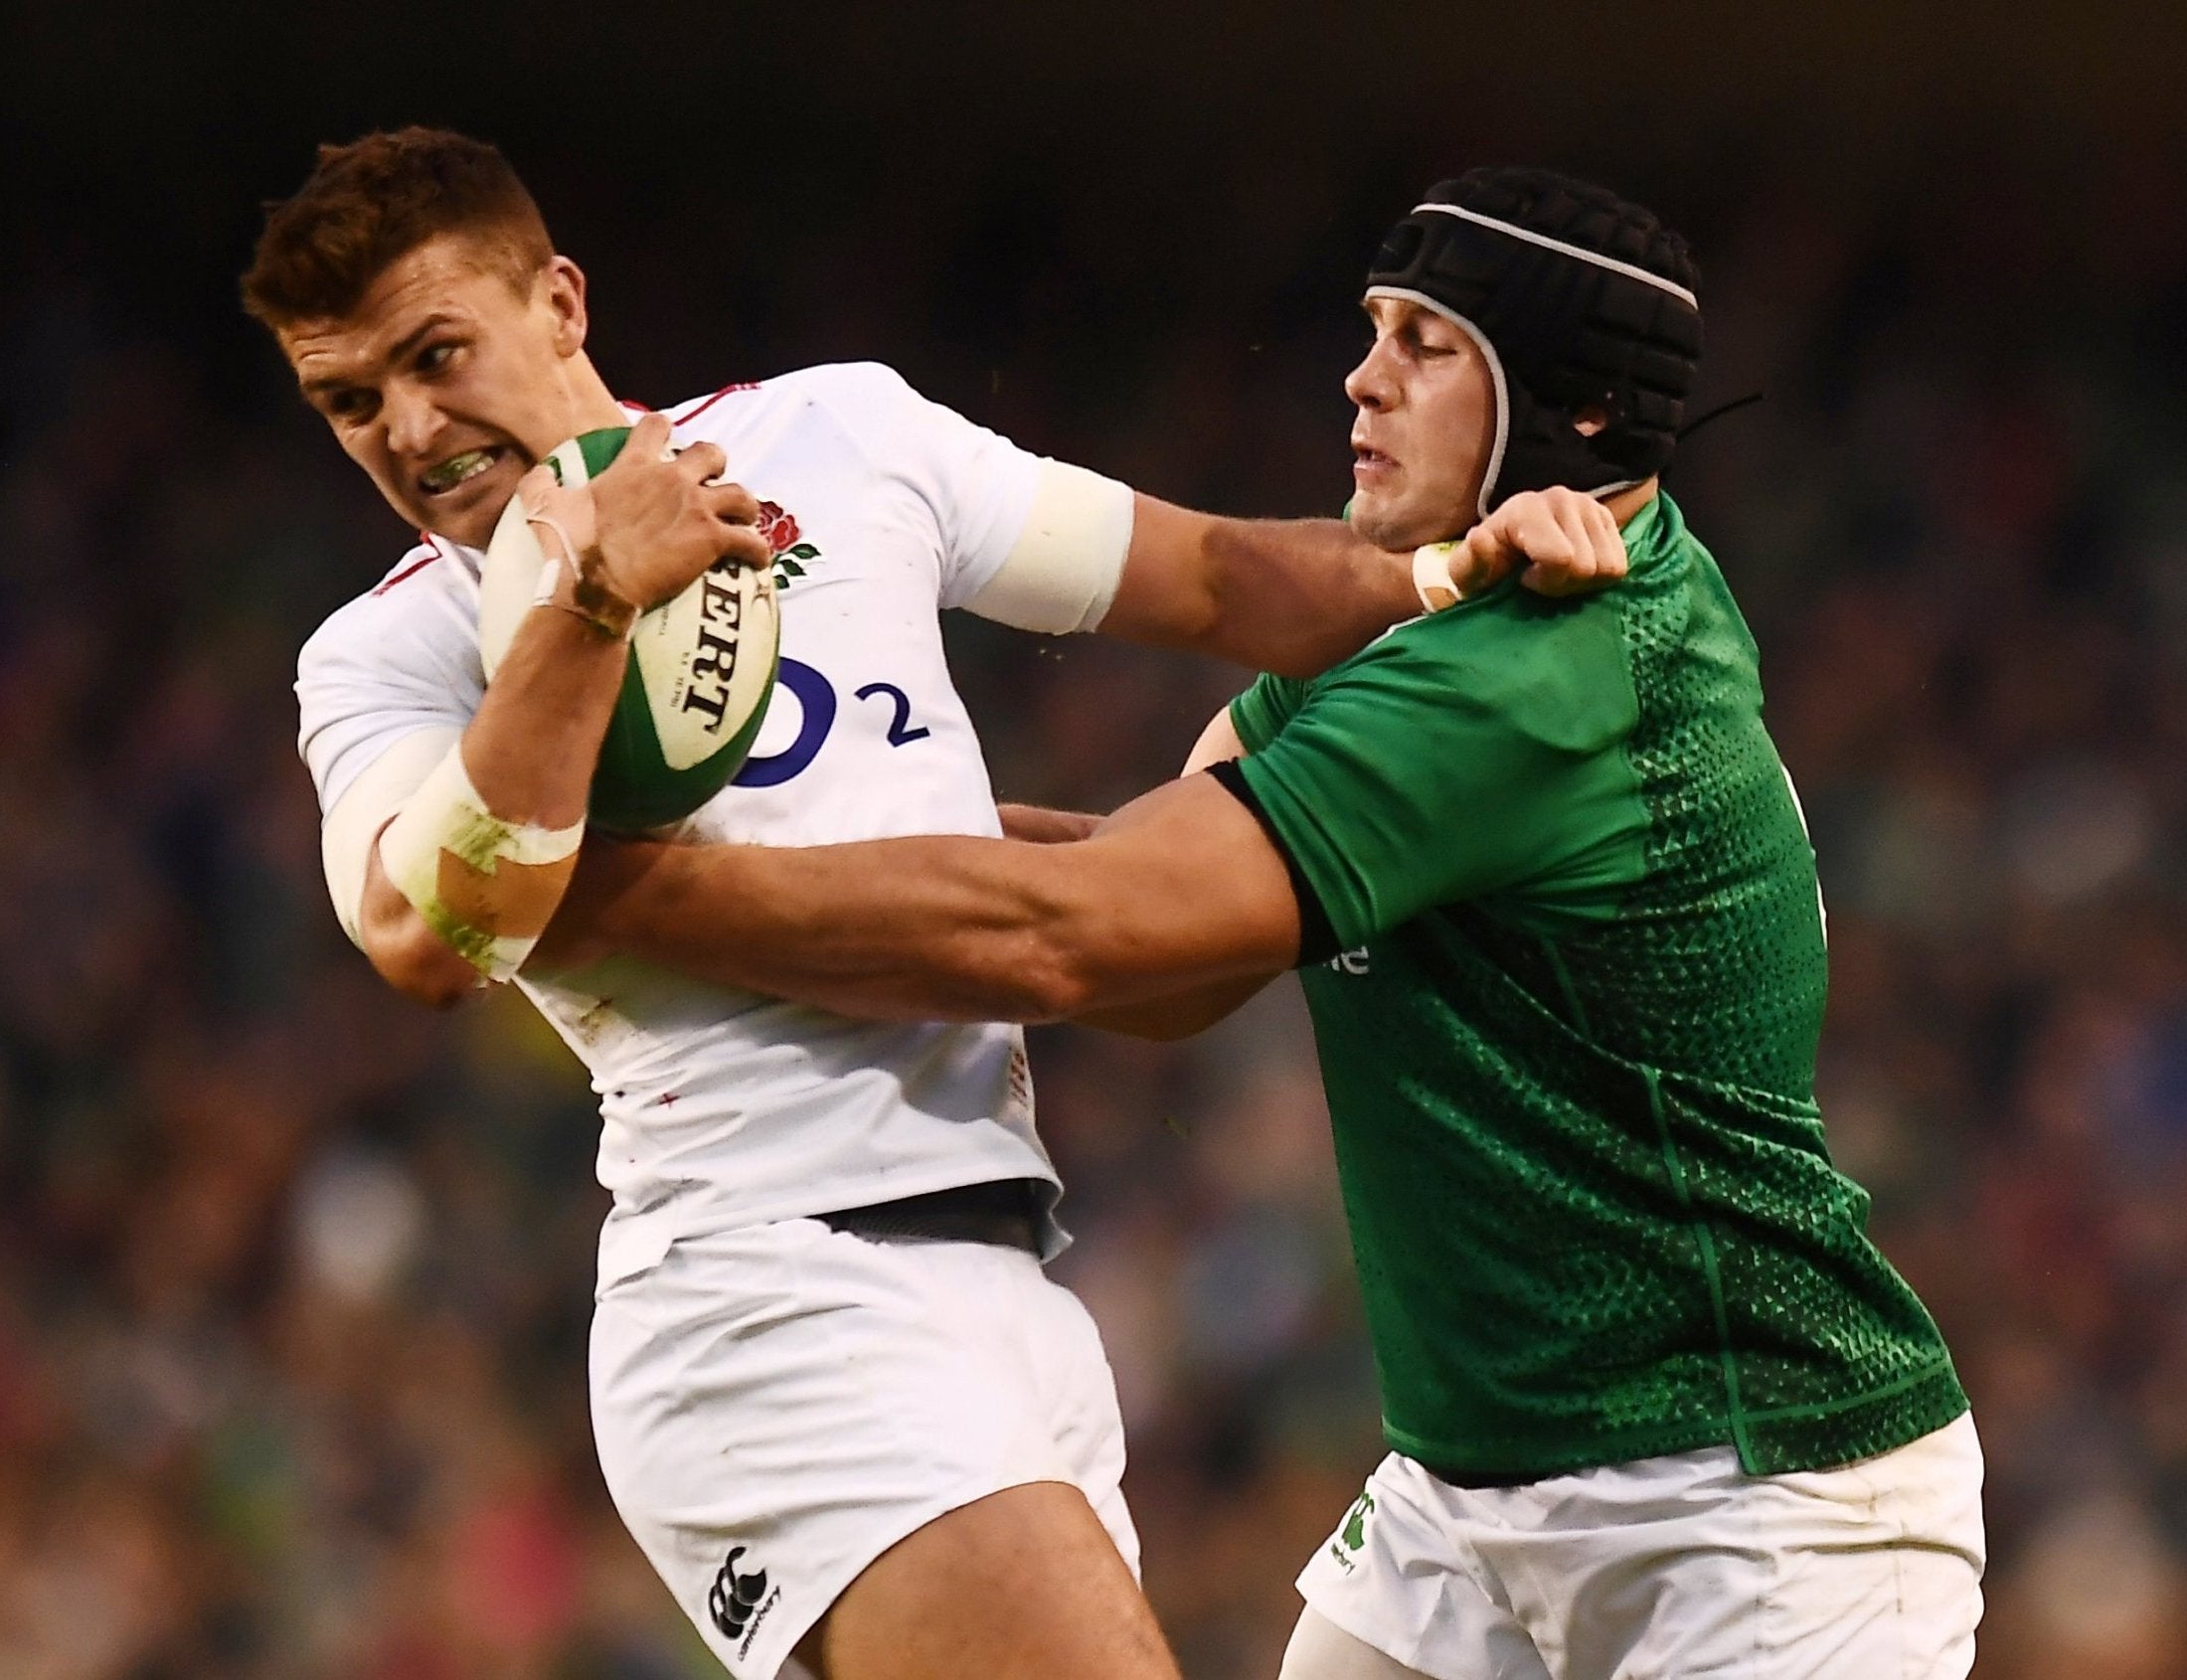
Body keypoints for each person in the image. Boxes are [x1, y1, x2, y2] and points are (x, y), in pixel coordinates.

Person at [543, 168, 1987, 1679]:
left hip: (1750, 1498)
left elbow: (1073, 938)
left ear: (1568, 408)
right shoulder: (1432, 627)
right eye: (1374, 328)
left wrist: (597, 894)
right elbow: (1162, 953)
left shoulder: (1529, 676)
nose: (1361, 377)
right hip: (1466, 1502)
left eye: (1427, 345)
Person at [252, 128, 1616, 1680]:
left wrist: (1454, 574)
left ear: (559, 304)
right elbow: (426, 933)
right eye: (349, 401)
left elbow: (1225, 582)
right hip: (763, 1293)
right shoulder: (388, 655)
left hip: (1007, 1276)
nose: (409, 429)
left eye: (437, 355)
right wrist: (585, 591)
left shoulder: (837, 433)